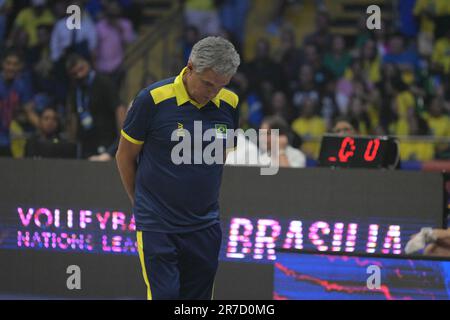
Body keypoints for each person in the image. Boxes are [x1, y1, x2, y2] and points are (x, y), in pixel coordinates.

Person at [115, 36, 240, 300]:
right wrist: (140, 203)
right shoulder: (152, 99)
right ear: (190, 67)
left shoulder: (230, 104)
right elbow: (124, 156)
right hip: (158, 224)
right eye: (208, 83)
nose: (212, 93)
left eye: (221, 86)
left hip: (205, 226)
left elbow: (220, 157)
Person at [65, 54, 126, 158]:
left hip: (105, 138)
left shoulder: (103, 82)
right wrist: (73, 140)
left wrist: (123, 135)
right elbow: (73, 115)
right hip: (85, 141)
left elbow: (119, 108)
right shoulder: (75, 89)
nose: (79, 75)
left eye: (81, 69)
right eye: (75, 73)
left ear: (87, 65)